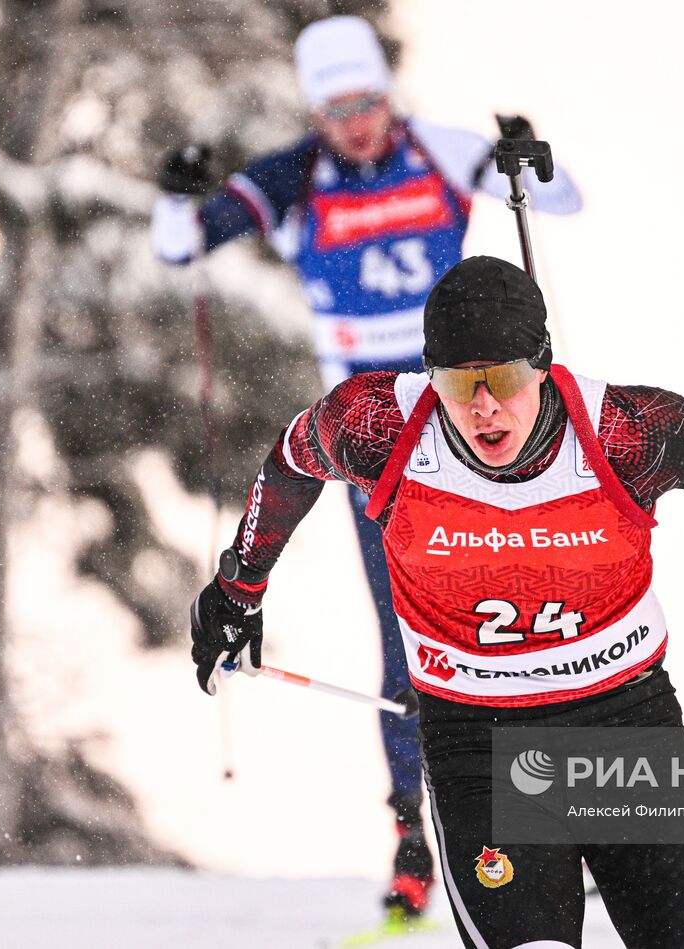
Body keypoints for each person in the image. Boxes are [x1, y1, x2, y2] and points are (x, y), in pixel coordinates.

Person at [189, 255, 684, 947]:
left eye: (502, 378)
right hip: (480, 743)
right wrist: (238, 590)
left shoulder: (626, 434)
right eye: (457, 381)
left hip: (626, 728)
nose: (482, 406)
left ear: (540, 363)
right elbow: (295, 459)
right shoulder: (382, 426)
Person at [151, 15, 582, 917]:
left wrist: (523, 157)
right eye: (336, 108)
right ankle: (417, 837)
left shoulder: (437, 147)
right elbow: (182, 243)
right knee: (411, 635)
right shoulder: (296, 175)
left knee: (541, 603)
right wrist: (176, 191)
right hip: (376, 440)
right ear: (316, 110)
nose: (357, 123)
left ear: (389, 94)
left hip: (477, 409)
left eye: (368, 102)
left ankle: (576, 821)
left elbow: (565, 199)